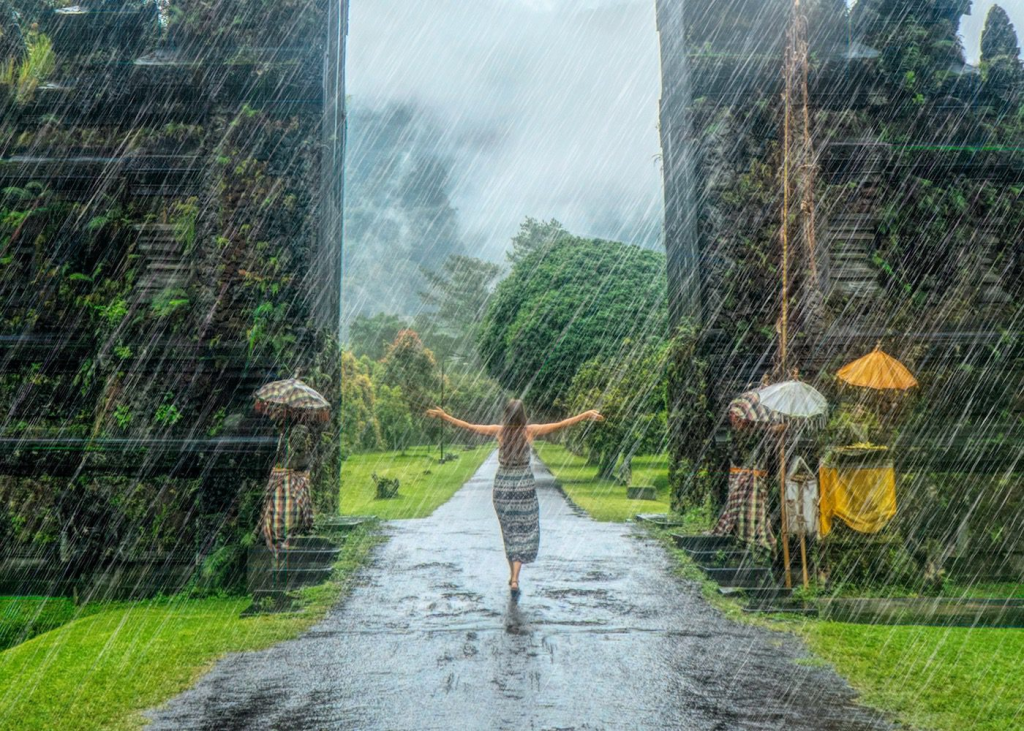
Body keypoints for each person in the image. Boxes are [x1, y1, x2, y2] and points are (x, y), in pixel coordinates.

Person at [426, 400, 603, 596]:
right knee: (524, 530)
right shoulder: (530, 431)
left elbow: (468, 426)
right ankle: (516, 578)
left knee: (509, 531)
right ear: (523, 415)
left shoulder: (499, 431)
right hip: (523, 485)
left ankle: (513, 577)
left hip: (503, 486)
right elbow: (562, 424)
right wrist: (585, 415)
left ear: (506, 414)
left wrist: (445, 416)